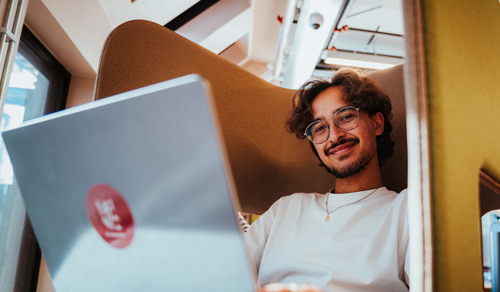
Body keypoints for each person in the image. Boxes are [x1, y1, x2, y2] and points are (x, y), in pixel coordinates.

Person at [244, 68, 409, 292]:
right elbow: (222, 276)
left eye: (346, 116)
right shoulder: (286, 208)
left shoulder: (407, 210)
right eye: (320, 128)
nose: (334, 135)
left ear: (377, 124)